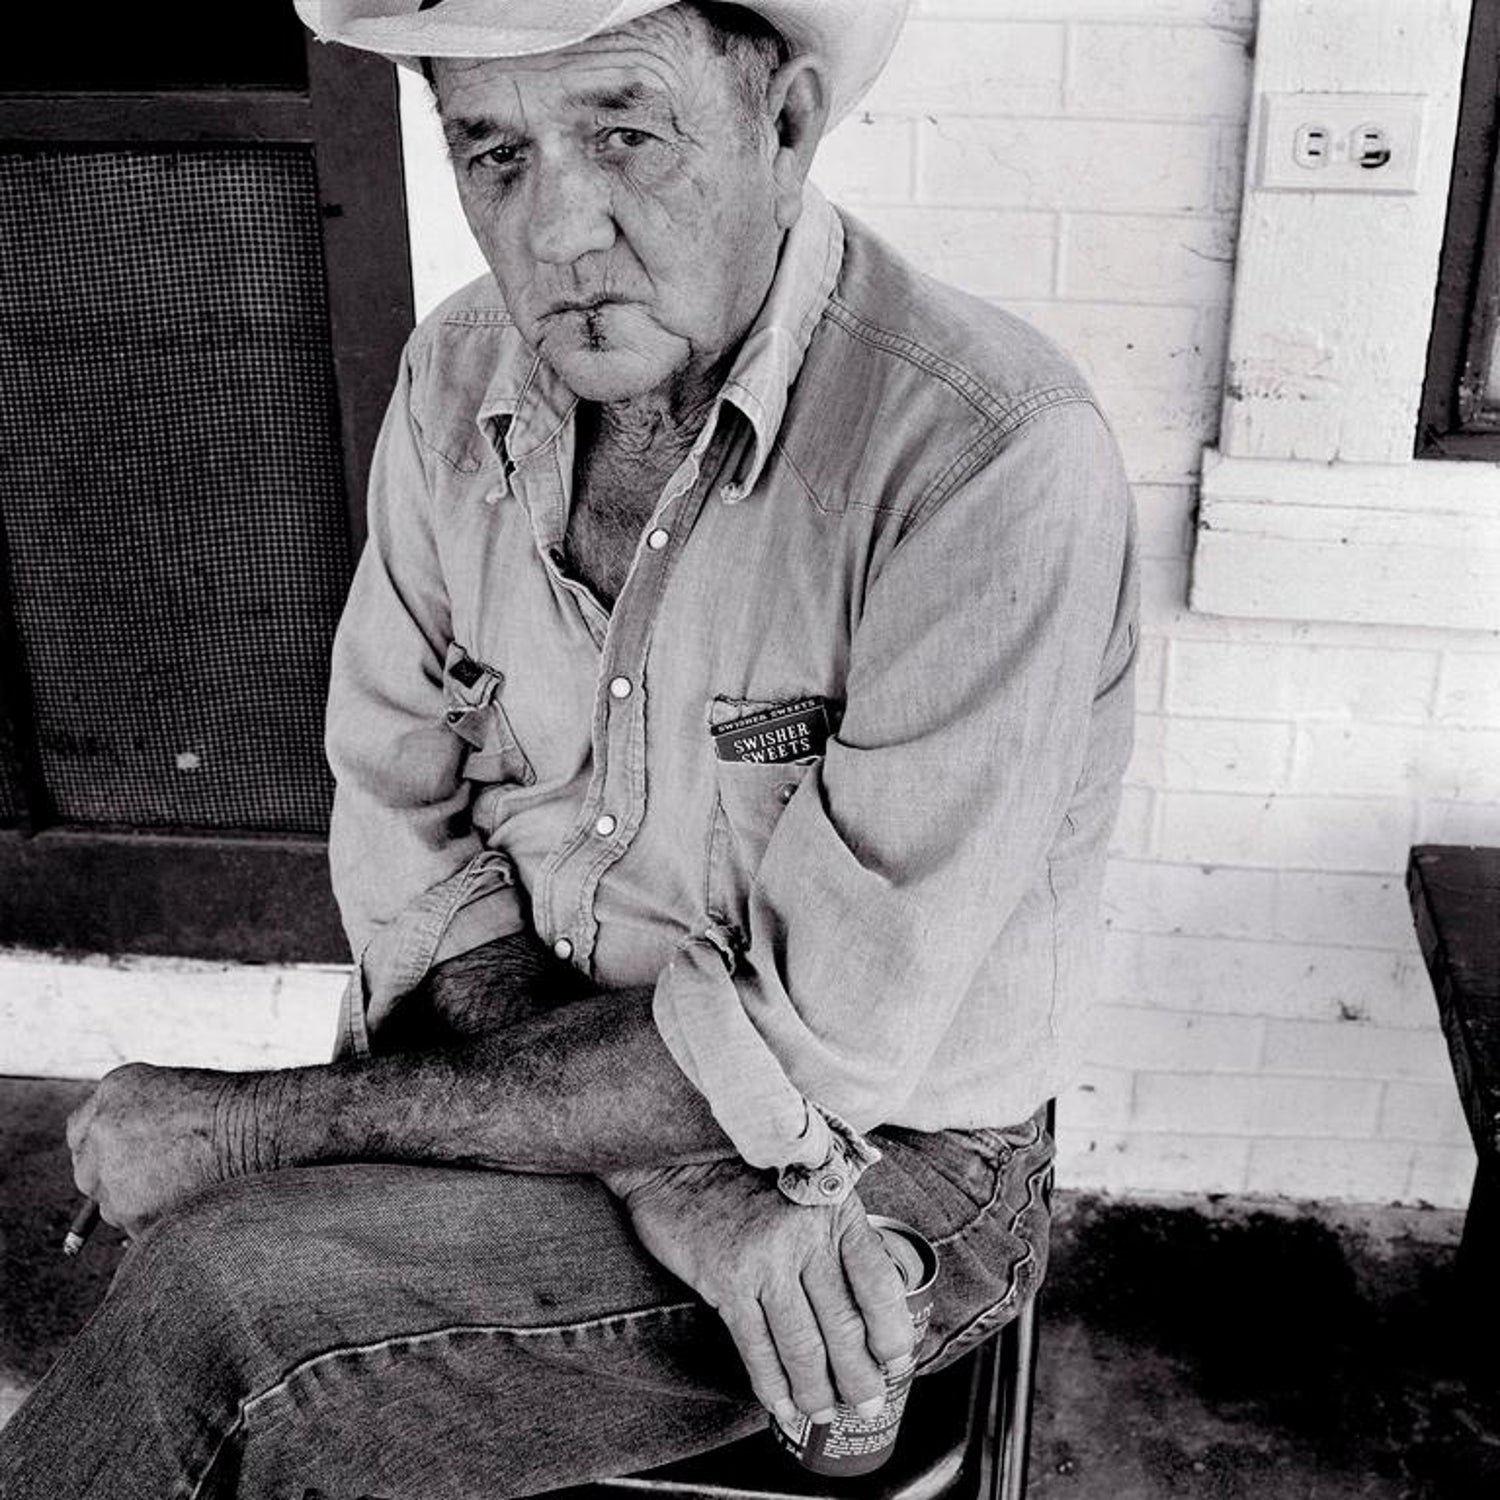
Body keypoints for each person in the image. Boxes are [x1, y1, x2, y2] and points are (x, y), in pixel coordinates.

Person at [0, 1, 1138, 1495]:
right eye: (494, 152)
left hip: (888, 1153)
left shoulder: (986, 459)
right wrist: (664, 1167)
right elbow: (407, 812)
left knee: (235, 1313)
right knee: (237, 1320)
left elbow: (814, 1043)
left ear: (785, 125)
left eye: (624, 134)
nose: (557, 232)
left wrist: (250, 1127)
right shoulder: (455, 380)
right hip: (539, 1044)